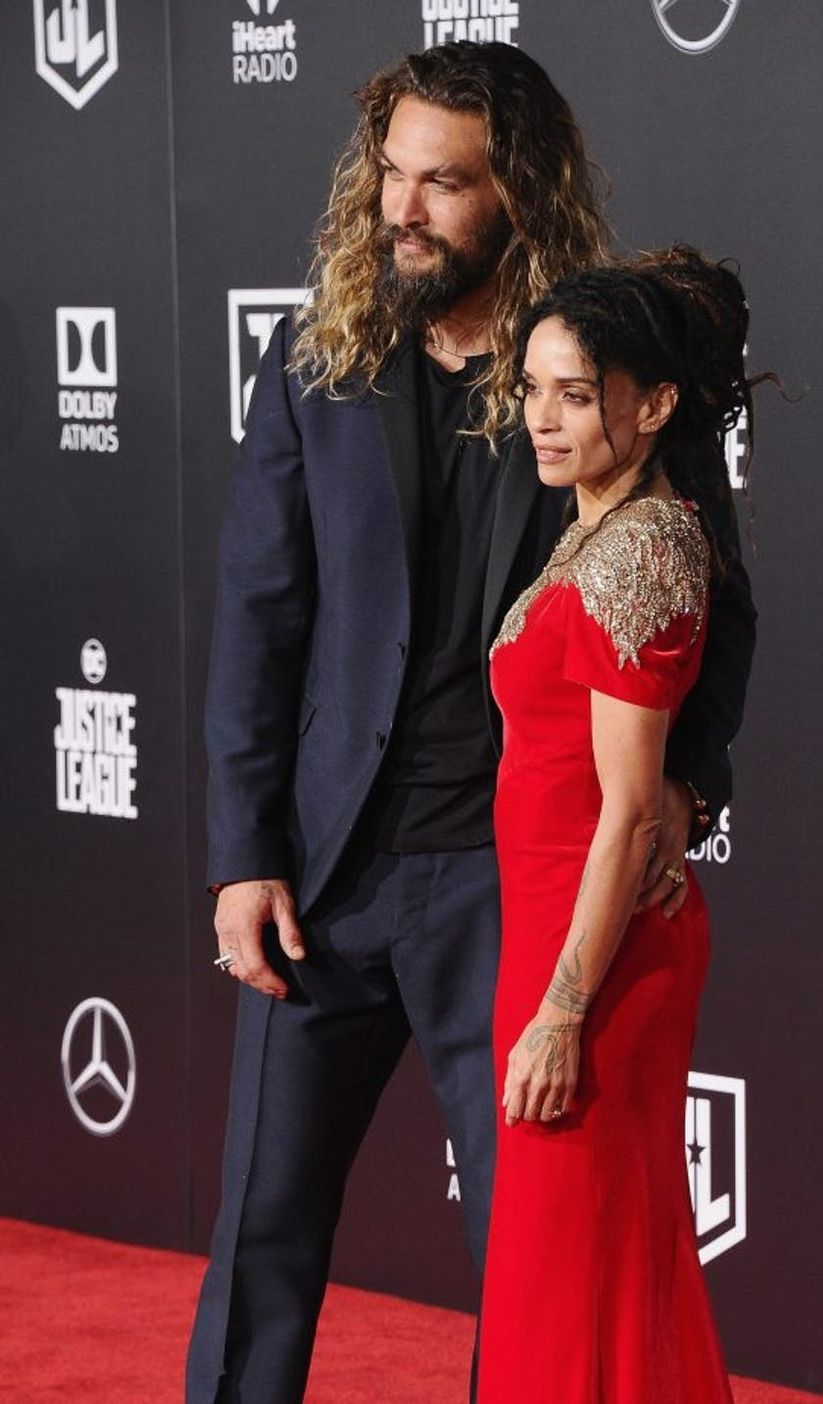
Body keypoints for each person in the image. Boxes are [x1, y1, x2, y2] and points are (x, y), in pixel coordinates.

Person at [186, 39, 756, 1404]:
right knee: (260, 1236)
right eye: (391, 177)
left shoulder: (586, 368)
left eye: (444, 186)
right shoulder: (317, 355)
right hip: (325, 872)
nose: (405, 210)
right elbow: (259, 611)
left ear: (516, 193)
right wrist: (238, 853)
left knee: (528, 1255)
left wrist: (693, 781)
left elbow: (710, 583)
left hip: (507, 886)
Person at [477, 249, 752, 1402]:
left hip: (593, 963)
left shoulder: (643, 545)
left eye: (575, 394)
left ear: (651, 406)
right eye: (532, 389)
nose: (541, 419)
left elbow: (631, 805)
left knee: (585, 1265)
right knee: (577, 1267)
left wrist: (563, 1010)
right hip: (551, 930)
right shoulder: (590, 527)